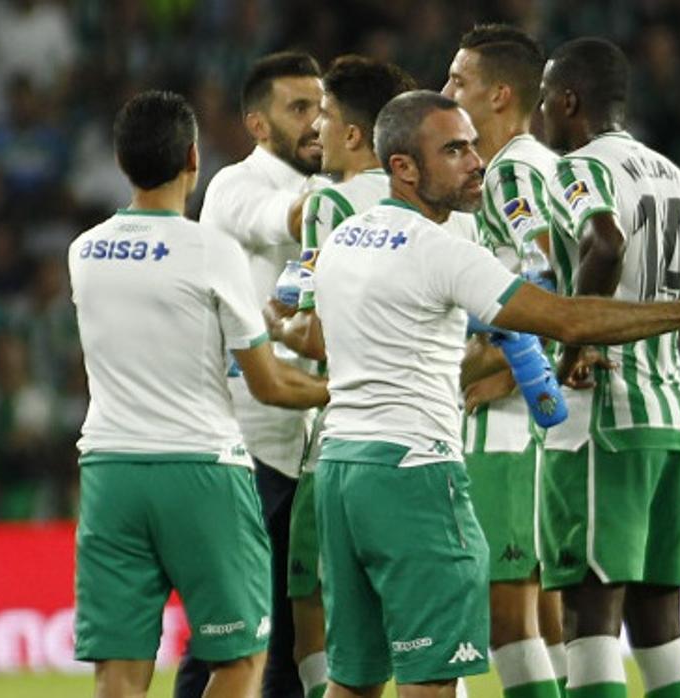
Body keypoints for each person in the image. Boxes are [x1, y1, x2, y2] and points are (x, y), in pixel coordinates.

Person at [311, 89, 680, 698]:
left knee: (354, 682)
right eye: (453, 150)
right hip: (414, 476)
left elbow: (330, 336)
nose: (476, 162)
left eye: (474, 145)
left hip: (341, 470)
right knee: (430, 683)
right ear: (403, 168)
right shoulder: (443, 250)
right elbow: (569, 320)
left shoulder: (346, 238)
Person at [68, 90, 329, 698]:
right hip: (201, 469)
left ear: (120, 159)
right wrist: (334, 391)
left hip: (110, 472)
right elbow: (267, 382)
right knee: (237, 661)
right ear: (193, 157)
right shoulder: (212, 250)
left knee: (119, 674)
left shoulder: (83, 252)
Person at [536, 38, 680, 698]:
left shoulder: (576, 169)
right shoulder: (674, 176)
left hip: (604, 418)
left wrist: (574, 343)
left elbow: (605, 241)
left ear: (568, 100)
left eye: (543, 100)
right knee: (657, 623)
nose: (540, 115)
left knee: (588, 615)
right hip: (672, 414)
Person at [277, 54, 416, 698]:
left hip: (347, 437)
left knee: (316, 609)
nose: (316, 130)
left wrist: (271, 326)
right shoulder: (429, 202)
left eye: (325, 115)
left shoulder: (327, 204)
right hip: (431, 437)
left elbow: (317, 335)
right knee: (425, 627)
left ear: (356, 134)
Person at [192, 51, 325, 698]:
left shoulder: (328, 187)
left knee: (297, 640)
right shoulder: (235, 187)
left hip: (307, 444)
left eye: (323, 108)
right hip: (247, 447)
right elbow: (292, 218)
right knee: (231, 634)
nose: (316, 123)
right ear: (257, 124)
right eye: (298, 109)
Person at [441, 23, 567, 698]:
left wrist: (499, 367)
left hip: (510, 423)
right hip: (532, 418)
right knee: (542, 614)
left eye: (457, 80)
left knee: (505, 618)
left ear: (498, 94)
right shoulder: (534, 165)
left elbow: (550, 274)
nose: (445, 91)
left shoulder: (513, 169)